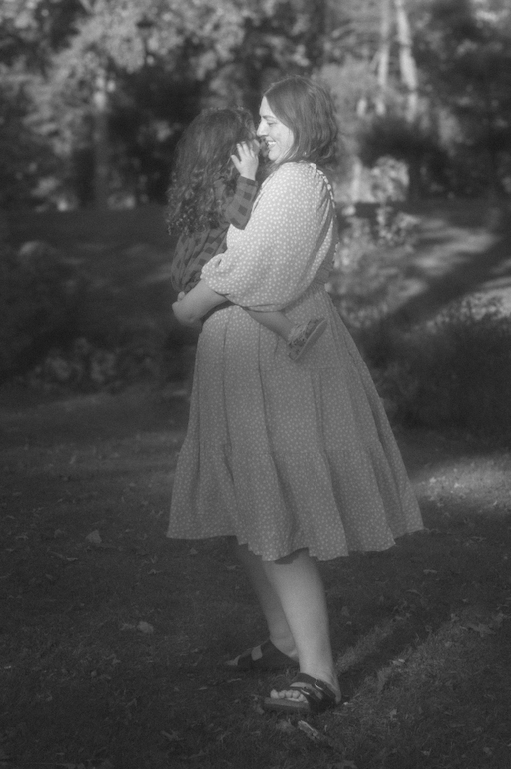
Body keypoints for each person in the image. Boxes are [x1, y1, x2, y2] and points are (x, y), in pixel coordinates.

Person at [168, 76, 423, 718]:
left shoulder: (300, 180)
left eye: (275, 118)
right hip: (241, 357)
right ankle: (285, 641)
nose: (264, 129)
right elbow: (239, 247)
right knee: (246, 512)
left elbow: (259, 271)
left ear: (305, 122)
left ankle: (321, 673)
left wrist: (191, 303)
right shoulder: (277, 182)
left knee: (273, 513)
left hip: (271, 364)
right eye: (261, 117)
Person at [165, 107, 326, 359]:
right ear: (233, 149)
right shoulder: (221, 184)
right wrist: (248, 174)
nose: (259, 139)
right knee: (248, 295)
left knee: (241, 288)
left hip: (206, 272)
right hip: (208, 272)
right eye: (250, 138)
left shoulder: (220, 183)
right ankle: (292, 333)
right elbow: (239, 219)